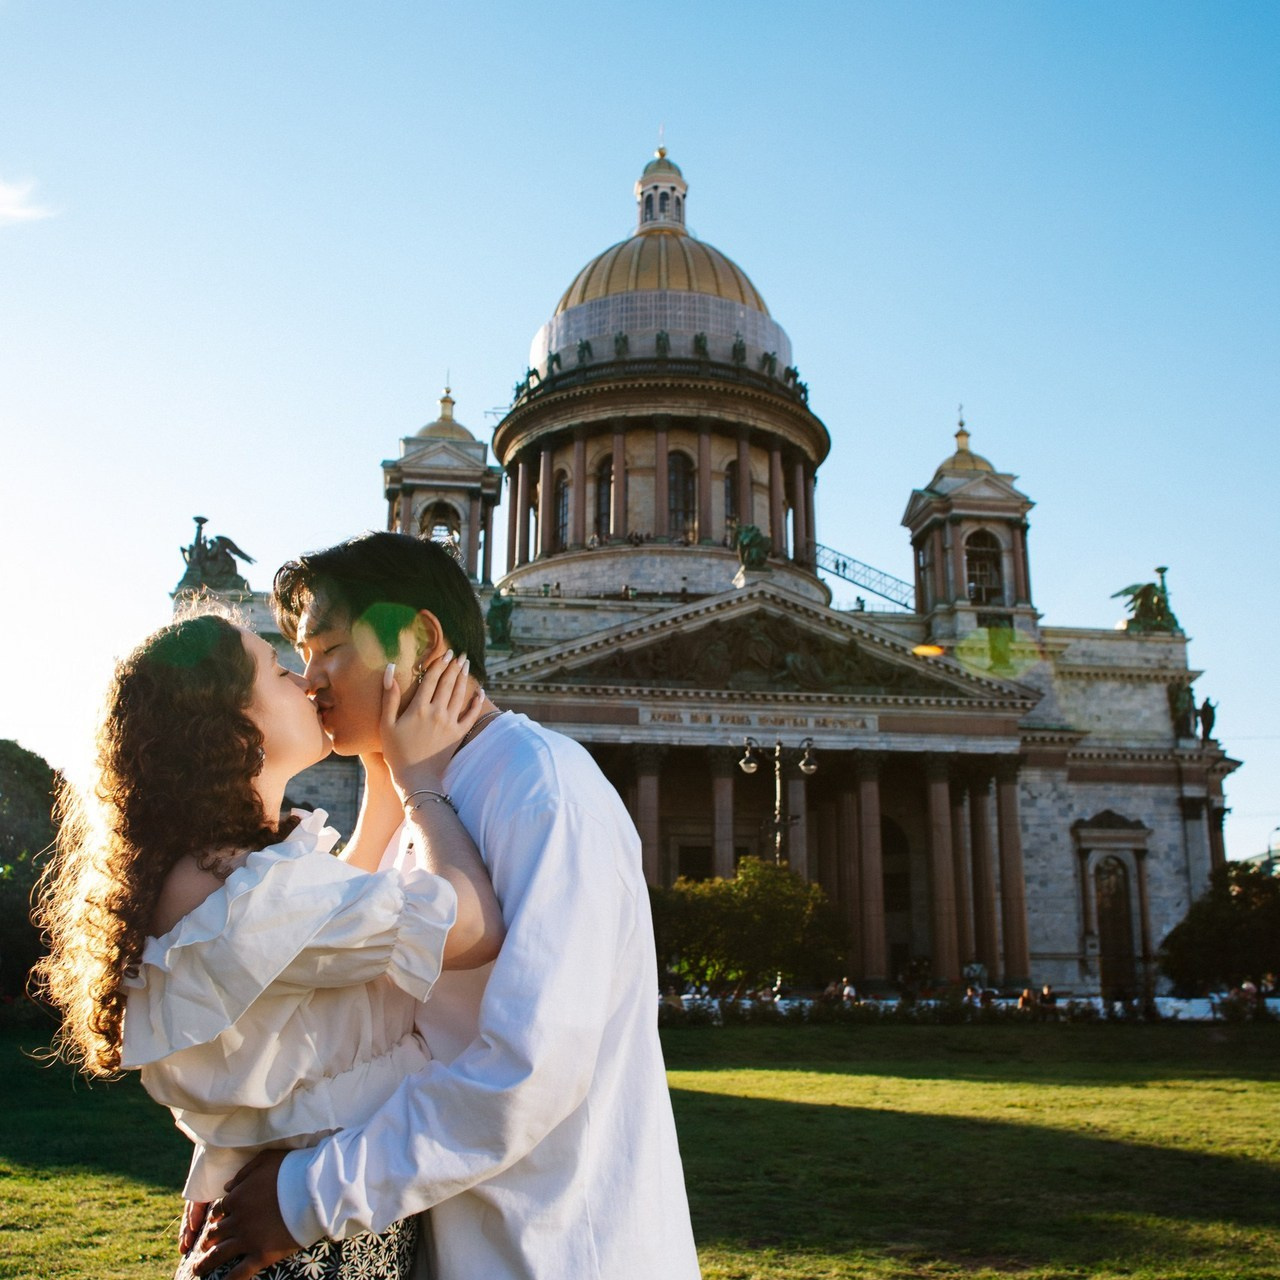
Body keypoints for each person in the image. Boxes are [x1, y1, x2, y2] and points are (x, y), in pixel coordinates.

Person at [194, 532, 700, 1280]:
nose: (308, 681)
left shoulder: (541, 786)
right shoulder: (423, 798)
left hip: (558, 1254)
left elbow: (530, 1071)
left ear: (418, 637)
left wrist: (306, 1199)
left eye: (327, 647)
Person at [32, 607, 505, 1280]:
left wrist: (382, 758)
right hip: (310, 1238)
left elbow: (355, 903)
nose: (308, 683)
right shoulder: (254, 898)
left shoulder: (214, 874)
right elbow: (471, 924)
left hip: (292, 1209)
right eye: (281, 671)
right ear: (234, 726)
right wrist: (424, 786)